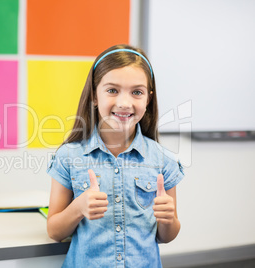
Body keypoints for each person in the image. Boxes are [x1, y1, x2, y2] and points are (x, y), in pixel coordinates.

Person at [46, 44, 184, 267]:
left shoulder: (163, 160)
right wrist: (78, 208)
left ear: (147, 99)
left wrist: (168, 219)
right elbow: (54, 231)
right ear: (94, 95)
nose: (124, 103)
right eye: (112, 90)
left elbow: (166, 236)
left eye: (137, 92)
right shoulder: (69, 157)